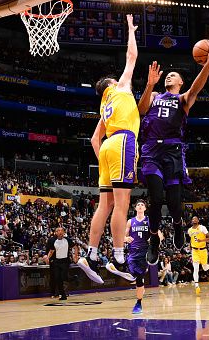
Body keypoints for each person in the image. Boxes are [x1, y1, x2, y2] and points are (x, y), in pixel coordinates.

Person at [137, 40, 209, 265]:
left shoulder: (183, 99)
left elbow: (197, 87)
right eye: (168, 75)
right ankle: (154, 239)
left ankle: (178, 225)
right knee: (156, 199)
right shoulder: (155, 96)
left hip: (173, 151)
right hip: (150, 150)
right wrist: (149, 85)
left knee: (175, 203)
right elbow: (140, 111)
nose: (169, 76)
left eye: (173, 75)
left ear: (181, 82)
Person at [78, 14, 139, 284]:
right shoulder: (121, 88)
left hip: (106, 149)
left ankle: (90, 255)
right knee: (122, 205)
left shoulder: (104, 107)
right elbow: (132, 57)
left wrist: (105, 163)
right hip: (123, 142)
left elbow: (94, 140)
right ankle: (117, 257)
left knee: (105, 204)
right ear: (112, 84)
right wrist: (130, 30)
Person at [124, 199, 150, 314]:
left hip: (144, 253)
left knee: (139, 278)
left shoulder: (149, 221)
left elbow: (160, 236)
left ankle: (138, 303)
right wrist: (125, 238)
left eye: (142, 205)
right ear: (135, 208)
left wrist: (153, 239)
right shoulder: (130, 221)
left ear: (145, 208)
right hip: (132, 252)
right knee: (132, 273)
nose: (140, 206)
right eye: (138, 205)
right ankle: (138, 283)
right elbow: (123, 236)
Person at [46, 227, 79, 300]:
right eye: (58, 231)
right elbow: (51, 251)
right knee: (57, 278)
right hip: (56, 262)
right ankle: (63, 295)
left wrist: (75, 256)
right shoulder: (53, 241)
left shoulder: (68, 240)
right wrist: (48, 258)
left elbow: (75, 247)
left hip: (65, 261)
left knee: (64, 277)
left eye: (61, 231)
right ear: (56, 233)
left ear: (64, 232)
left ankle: (74, 278)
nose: (60, 232)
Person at [188, 216, 209, 295]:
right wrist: (190, 245)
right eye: (193, 219)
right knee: (196, 268)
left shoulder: (202, 228)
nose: (194, 220)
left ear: (198, 220)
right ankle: (196, 286)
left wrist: (201, 240)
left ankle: (208, 267)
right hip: (194, 251)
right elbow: (191, 240)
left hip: (203, 250)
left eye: (195, 219)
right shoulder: (190, 230)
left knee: (205, 267)